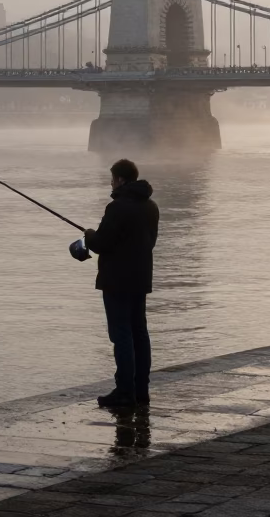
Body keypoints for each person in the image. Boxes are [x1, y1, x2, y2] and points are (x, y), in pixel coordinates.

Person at [83, 159, 159, 408]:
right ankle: (141, 391)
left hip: (116, 280)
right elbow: (149, 242)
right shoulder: (151, 207)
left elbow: (101, 243)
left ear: (122, 180)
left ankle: (124, 391)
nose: (111, 182)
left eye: (113, 178)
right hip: (140, 278)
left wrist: (89, 234)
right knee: (139, 333)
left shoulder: (117, 208)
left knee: (121, 335)